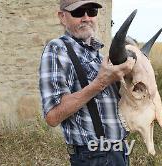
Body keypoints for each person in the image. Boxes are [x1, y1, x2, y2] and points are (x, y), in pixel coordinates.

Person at [39, 0, 135, 165]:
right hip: (93, 158)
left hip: (120, 151)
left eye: (92, 12)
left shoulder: (98, 55)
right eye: (78, 12)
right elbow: (53, 116)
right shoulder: (58, 49)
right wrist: (100, 82)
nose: (86, 18)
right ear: (62, 17)